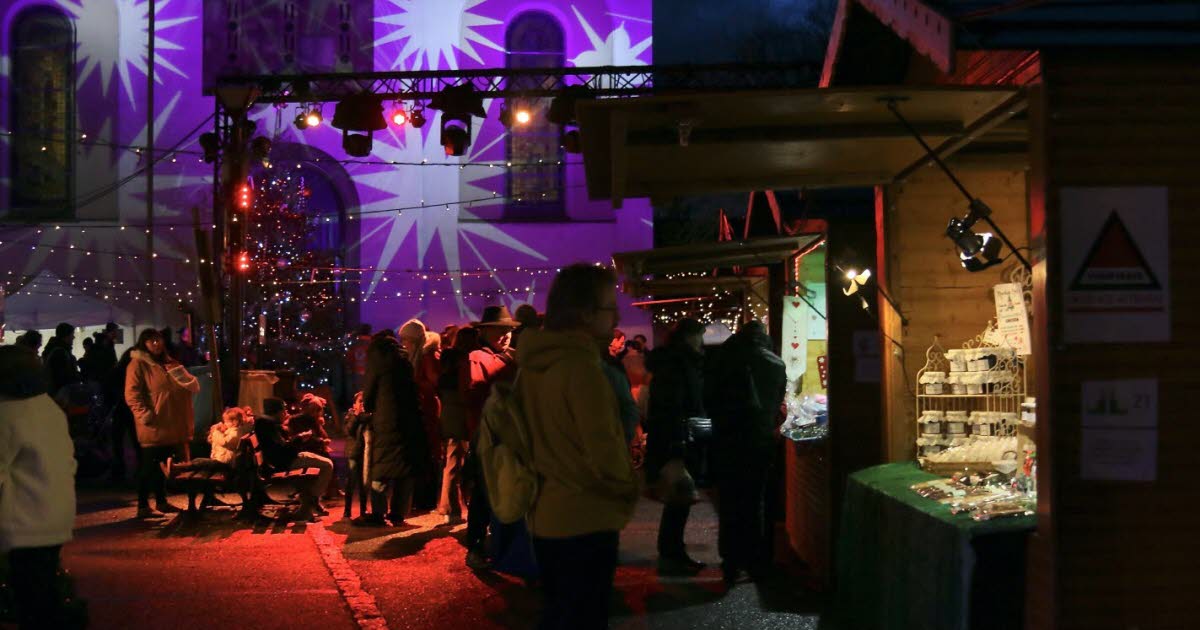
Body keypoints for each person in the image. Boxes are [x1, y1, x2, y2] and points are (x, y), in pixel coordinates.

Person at [518, 264, 638, 630]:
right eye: (609, 307)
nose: (616, 317)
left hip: (545, 515)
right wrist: (631, 490)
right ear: (585, 314)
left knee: (558, 613)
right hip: (587, 517)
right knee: (585, 616)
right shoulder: (583, 369)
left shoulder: (532, 366)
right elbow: (606, 452)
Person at [0, 346, 78, 630]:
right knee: (44, 590)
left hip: (23, 519)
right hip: (56, 510)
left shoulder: (7, 414)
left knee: (29, 598)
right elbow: (68, 460)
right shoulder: (48, 407)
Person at [705, 321, 787, 586]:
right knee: (756, 502)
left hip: (727, 441)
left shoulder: (723, 360)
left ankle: (731, 562)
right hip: (759, 442)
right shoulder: (775, 364)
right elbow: (778, 403)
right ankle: (757, 561)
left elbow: (709, 399)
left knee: (729, 502)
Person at [644, 318, 708, 575]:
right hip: (679, 441)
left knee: (677, 499)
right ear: (689, 337)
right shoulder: (678, 364)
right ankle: (673, 553)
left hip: (677, 439)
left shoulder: (675, 362)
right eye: (699, 335)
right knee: (679, 498)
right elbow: (673, 407)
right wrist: (678, 444)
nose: (702, 341)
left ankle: (672, 550)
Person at [463, 306, 519, 569]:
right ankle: (475, 547)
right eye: (499, 330)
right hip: (489, 438)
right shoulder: (477, 358)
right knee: (485, 495)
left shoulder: (514, 357)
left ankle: (503, 547)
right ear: (484, 332)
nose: (505, 335)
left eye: (508, 330)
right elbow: (477, 397)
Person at [355, 333, 429, 527]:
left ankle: (378, 513)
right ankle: (398, 514)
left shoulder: (377, 359)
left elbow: (370, 391)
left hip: (386, 419)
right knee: (404, 467)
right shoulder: (405, 361)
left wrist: (368, 407)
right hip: (410, 419)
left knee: (381, 468)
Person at [125, 328, 199, 518]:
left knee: (163, 466)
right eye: (151, 341)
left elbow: (186, 383)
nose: (156, 344)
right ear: (144, 344)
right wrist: (145, 415)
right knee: (148, 466)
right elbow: (132, 394)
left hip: (171, 423)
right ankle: (143, 505)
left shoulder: (169, 362)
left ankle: (161, 501)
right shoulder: (138, 364)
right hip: (154, 425)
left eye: (158, 340)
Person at [254, 397, 334, 521]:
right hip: (285, 461)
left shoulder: (268, 423)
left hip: (288, 457)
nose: (286, 413)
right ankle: (309, 503)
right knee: (327, 465)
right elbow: (283, 449)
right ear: (276, 412)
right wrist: (300, 438)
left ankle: (309, 503)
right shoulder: (268, 424)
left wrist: (299, 438)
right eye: (284, 410)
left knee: (325, 462)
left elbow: (283, 446)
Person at [435, 326, 480, 525]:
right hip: (463, 412)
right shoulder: (467, 361)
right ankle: (460, 507)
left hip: (449, 412)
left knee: (452, 461)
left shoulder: (446, 360)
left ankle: (450, 508)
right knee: (464, 461)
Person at [399, 318, 443, 508]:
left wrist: (415, 385)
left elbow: (435, 383)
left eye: (406, 340)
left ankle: (426, 498)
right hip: (421, 408)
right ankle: (421, 498)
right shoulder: (417, 357)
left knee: (428, 452)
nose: (404, 344)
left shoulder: (427, 357)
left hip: (428, 410)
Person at [42, 322, 81, 396]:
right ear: (66, 336)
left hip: (56, 392)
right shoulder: (60, 352)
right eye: (72, 334)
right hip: (63, 394)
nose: (73, 337)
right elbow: (63, 377)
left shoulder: (53, 349)